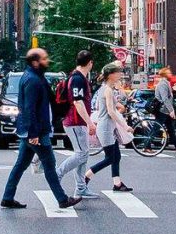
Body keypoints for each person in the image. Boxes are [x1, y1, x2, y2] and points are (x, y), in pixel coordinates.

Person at [0, 47, 78, 209]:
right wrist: (33, 133)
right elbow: (29, 108)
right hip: (36, 131)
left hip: (31, 130)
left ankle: (7, 197)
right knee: (49, 164)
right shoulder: (33, 80)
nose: (47, 61)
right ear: (35, 62)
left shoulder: (35, 76)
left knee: (20, 165)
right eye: (44, 58)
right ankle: (62, 199)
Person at [58, 49, 97, 198]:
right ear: (90, 63)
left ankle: (81, 188)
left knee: (83, 155)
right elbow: (78, 102)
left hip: (76, 122)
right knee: (81, 154)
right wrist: (90, 123)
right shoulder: (78, 79)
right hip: (75, 122)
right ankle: (57, 175)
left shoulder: (76, 77)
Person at [92, 62, 135, 191]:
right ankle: (86, 177)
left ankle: (117, 183)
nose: (120, 74)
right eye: (117, 72)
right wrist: (125, 126)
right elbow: (111, 111)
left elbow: (100, 108)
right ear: (111, 75)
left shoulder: (104, 88)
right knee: (110, 158)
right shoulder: (108, 90)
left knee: (117, 156)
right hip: (105, 128)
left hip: (108, 127)